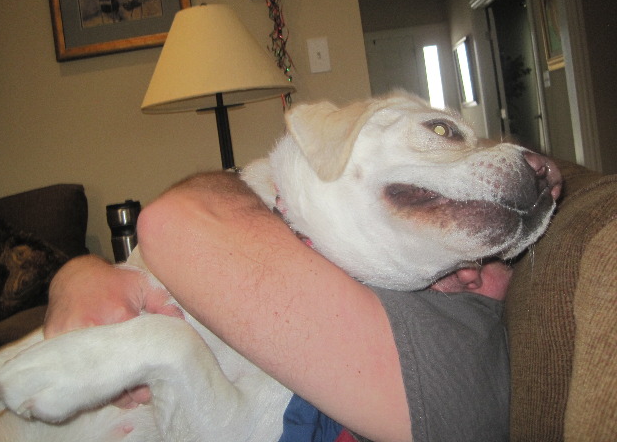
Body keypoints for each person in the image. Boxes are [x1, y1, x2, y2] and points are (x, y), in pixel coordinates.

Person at [45, 159, 562, 442]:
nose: (466, 269)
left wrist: (80, 276)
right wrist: (79, 274)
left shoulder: (457, 365)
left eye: (492, 259)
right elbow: (229, 185)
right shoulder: (380, 275)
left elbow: (173, 220)